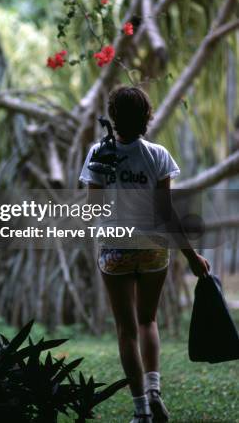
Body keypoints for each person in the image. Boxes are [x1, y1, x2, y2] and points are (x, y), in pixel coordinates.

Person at [79, 86, 210, 423]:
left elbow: (94, 209)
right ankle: (154, 390)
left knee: (126, 329)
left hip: (116, 249)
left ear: (113, 118)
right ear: (146, 118)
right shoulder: (158, 155)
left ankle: (141, 411)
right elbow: (166, 213)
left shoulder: (97, 154)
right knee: (148, 320)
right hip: (153, 247)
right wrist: (192, 257)